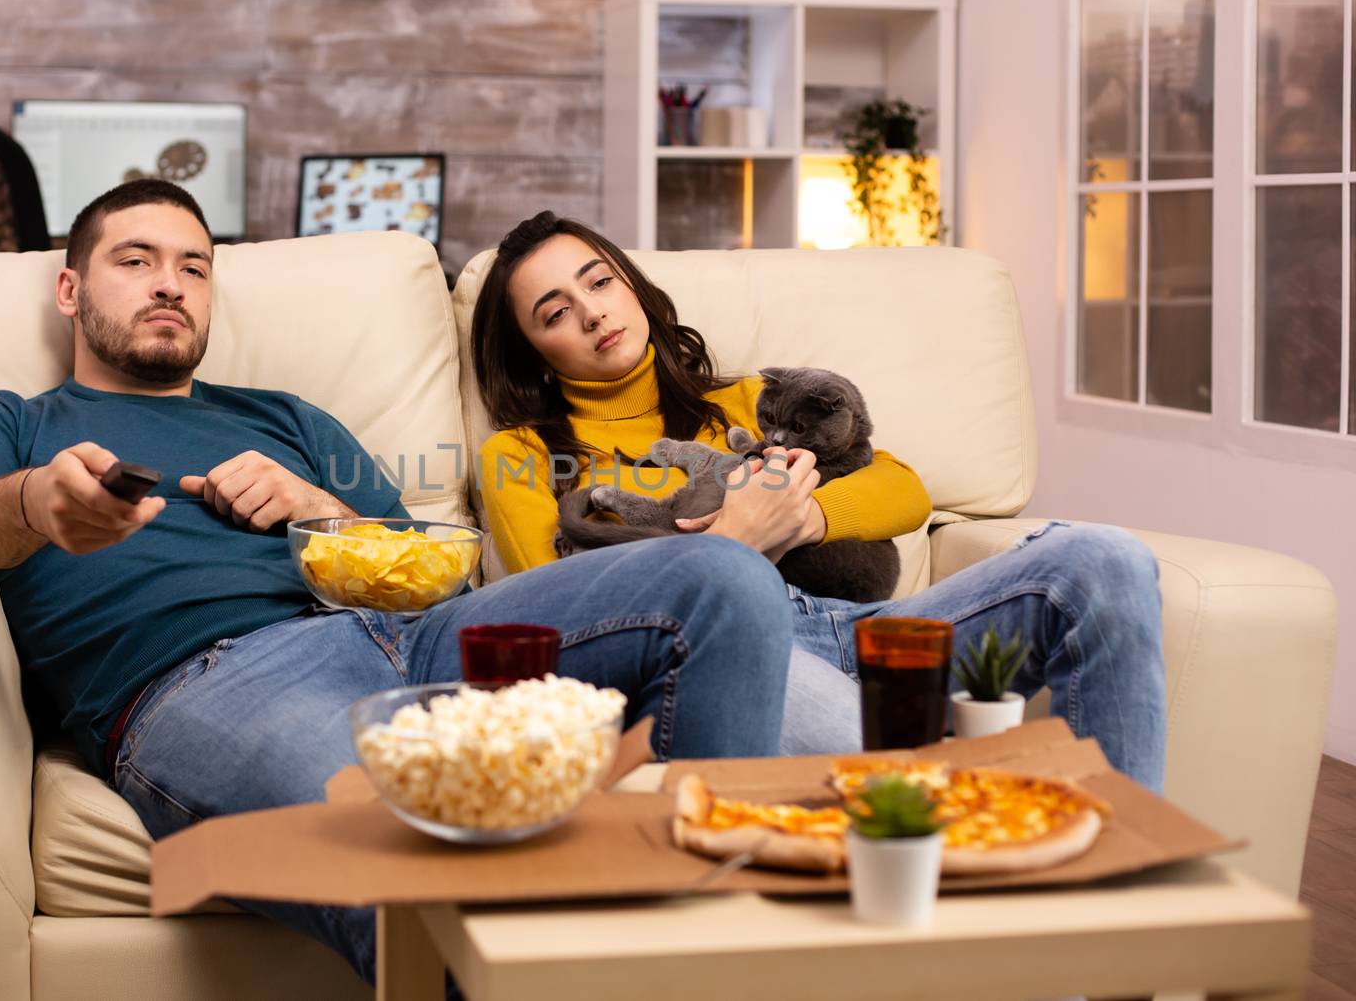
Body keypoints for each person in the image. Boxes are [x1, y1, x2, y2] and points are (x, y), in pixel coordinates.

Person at [0, 180, 799, 983]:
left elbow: (431, 572)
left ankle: (717, 958)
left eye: (195, 268)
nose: (171, 282)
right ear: (70, 288)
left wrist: (317, 507)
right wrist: (35, 503)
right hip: (207, 680)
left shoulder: (285, 416)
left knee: (720, 573)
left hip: (415, 638)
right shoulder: (14, 423)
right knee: (430, 864)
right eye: (136, 260)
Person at [470, 210, 1167, 791]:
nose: (593, 313)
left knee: (1102, 560)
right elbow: (559, 622)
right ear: (535, 351)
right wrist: (733, 541)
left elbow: (902, 487)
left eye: (601, 281)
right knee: (906, 780)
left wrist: (803, 517)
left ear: (632, 286)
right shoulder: (522, 457)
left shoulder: (748, 401)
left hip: (862, 624)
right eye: (556, 312)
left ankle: (1124, 884)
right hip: (727, 653)